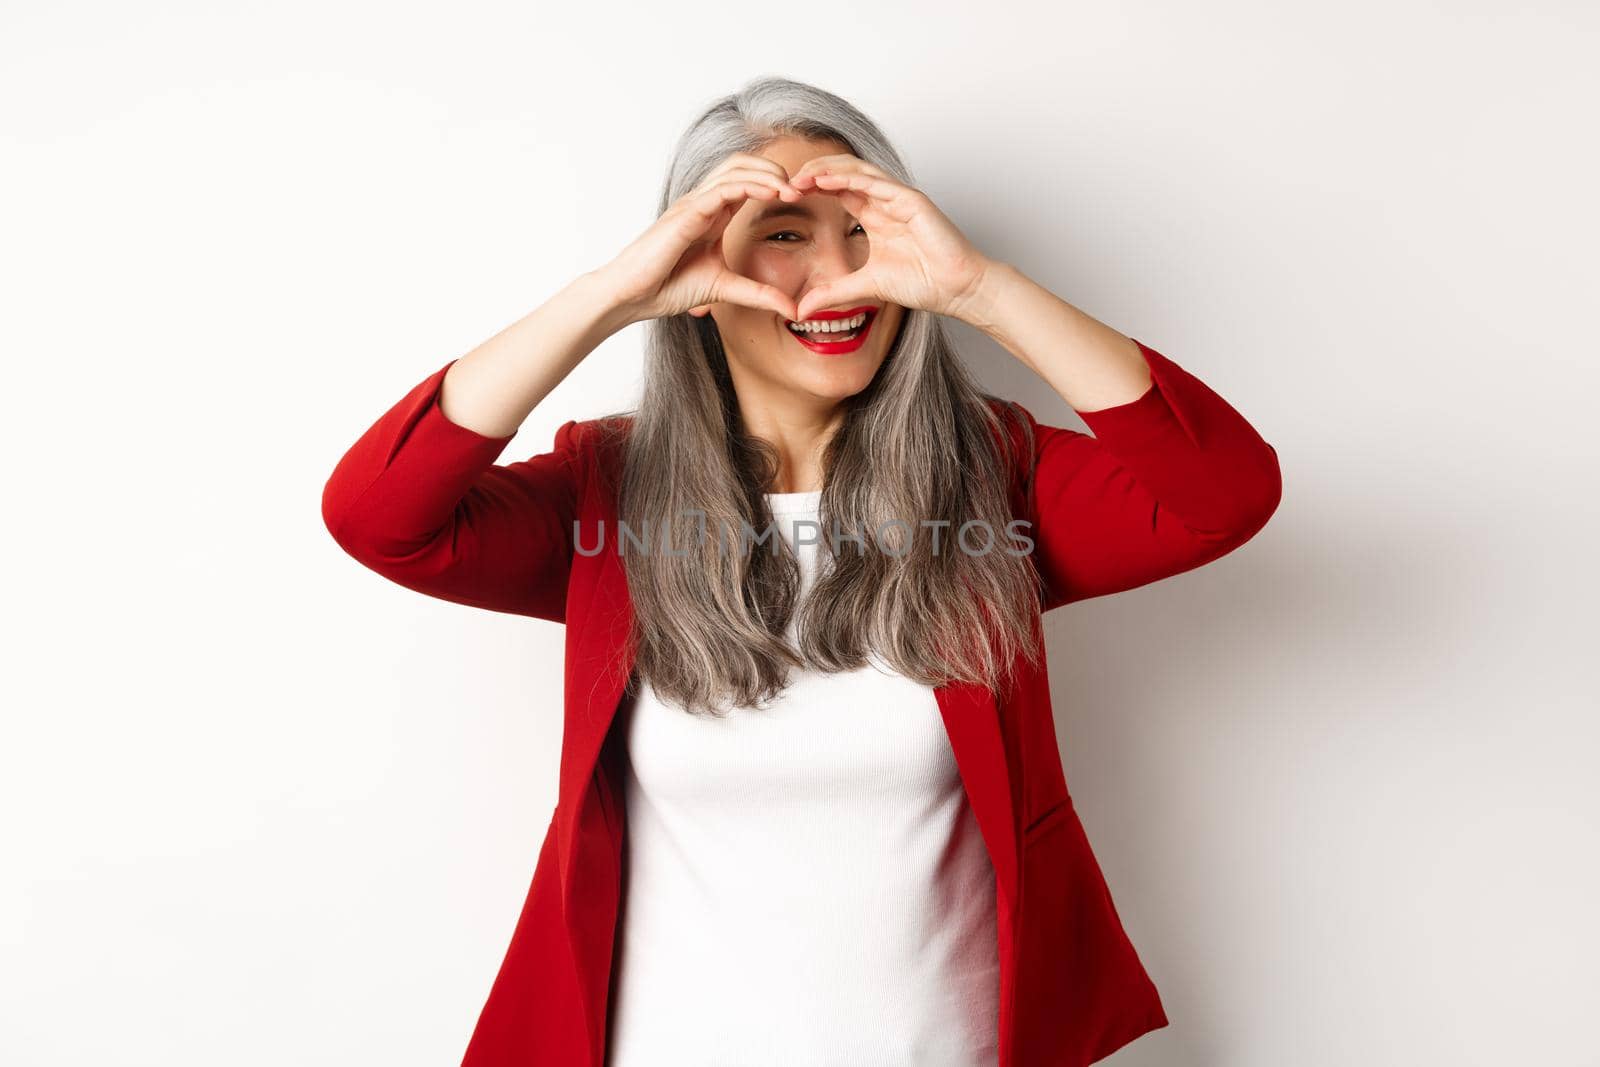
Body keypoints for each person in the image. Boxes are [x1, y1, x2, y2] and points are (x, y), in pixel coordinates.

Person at [322, 76, 1282, 1067]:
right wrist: (609, 297)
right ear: (695, 269)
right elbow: (377, 515)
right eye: (783, 233)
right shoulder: (607, 495)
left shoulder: (998, 482)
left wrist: (980, 290)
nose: (842, 278)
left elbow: (1225, 494)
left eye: (861, 228)